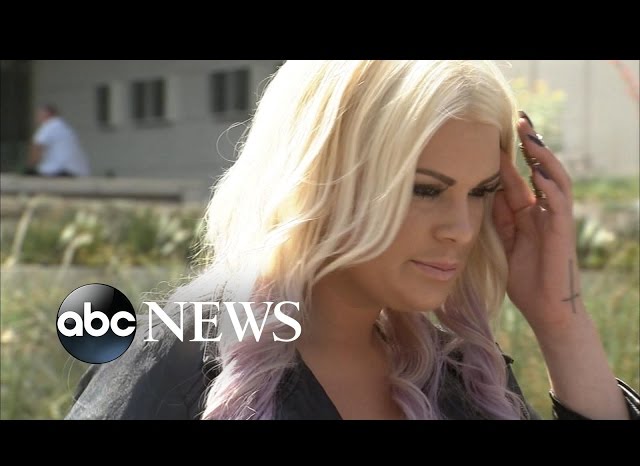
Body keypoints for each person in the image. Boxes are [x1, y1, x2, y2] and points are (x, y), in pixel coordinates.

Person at [66, 61, 639, 420]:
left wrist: (562, 322)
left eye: (480, 192)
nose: (462, 229)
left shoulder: (467, 378)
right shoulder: (179, 353)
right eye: (424, 189)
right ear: (324, 178)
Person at [26, 104, 91, 177]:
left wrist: (30, 167)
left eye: (39, 115)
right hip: (77, 171)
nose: (37, 118)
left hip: (60, 171)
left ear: (48, 114)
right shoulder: (64, 126)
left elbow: (37, 147)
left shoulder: (50, 125)